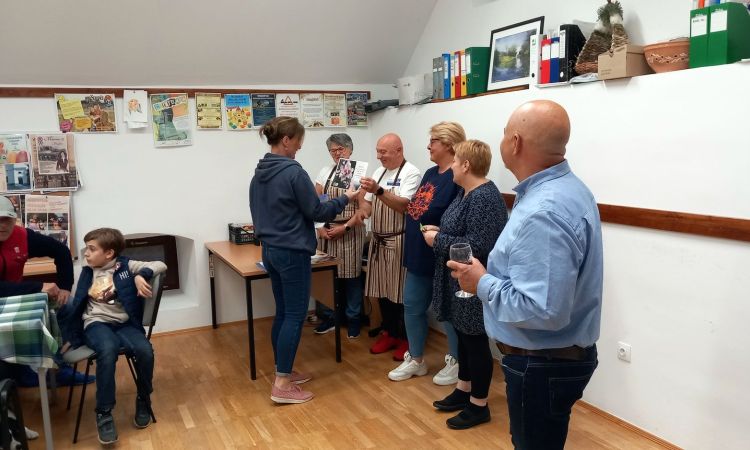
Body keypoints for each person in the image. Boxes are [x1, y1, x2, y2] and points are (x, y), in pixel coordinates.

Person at [447, 100, 603, 449]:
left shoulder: (544, 210)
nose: (502, 140)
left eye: (505, 133)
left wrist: (481, 282)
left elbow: (542, 310)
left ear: (515, 143)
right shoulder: (565, 189)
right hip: (551, 359)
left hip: (542, 364)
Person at [249, 117, 358, 404]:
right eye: (298, 141)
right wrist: (346, 198)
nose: (299, 147)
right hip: (292, 253)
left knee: (283, 312)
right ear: (286, 140)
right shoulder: (293, 172)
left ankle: (282, 369)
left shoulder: (260, 172)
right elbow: (317, 212)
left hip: (270, 251)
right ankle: (282, 384)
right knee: (295, 316)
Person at [423, 140, 507, 429]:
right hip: (459, 282)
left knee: (475, 343)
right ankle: (464, 389)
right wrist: (440, 231)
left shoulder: (485, 197)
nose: (452, 167)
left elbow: (477, 246)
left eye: (456, 162)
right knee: (463, 338)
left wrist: (437, 239)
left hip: (474, 283)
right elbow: (459, 230)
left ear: (467, 165)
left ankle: (479, 405)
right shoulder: (465, 192)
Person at [58, 228, 167, 445]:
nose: (86, 253)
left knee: (145, 350)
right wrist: (72, 336)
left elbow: (160, 264)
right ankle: (104, 412)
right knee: (107, 350)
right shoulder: (88, 271)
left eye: (91, 249)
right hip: (95, 323)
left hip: (124, 324)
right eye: (86, 248)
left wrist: (141, 275)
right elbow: (78, 306)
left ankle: (143, 398)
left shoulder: (125, 266)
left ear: (109, 253)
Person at [387, 122, 464, 384]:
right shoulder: (431, 172)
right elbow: (416, 208)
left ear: (449, 144)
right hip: (418, 252)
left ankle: (457, 362)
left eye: (433, 141)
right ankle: (416, 359)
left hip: (442, 254)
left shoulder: (457, 175)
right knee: (412, 306)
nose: (428, 146)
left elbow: (458, 216)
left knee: (449, 312)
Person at [359, 134, 422, 361]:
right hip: (378, 240)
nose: (379, 156)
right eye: (378, 151)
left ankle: (406, 337)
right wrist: (362, 209)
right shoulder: (379, 172)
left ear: (399, 150)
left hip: (399, 240)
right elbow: (366, 202)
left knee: (400, 293)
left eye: (383, 152)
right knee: (382, 292)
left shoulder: (412, 173)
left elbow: (405, 205)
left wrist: (378, 190)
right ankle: (389, 332)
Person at [313, 134, 367, 338]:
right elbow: (318, 201)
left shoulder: (359, 173)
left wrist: (344, 227)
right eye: (333, 150)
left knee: (351, 277)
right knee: (326, 277)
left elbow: (363, 209)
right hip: (326, 232)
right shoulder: (324, 171)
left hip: (350, 232)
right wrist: (320, 227)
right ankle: (328, 317)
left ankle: (353, 319)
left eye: (340, 149)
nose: (337, 153)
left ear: (350, 149)